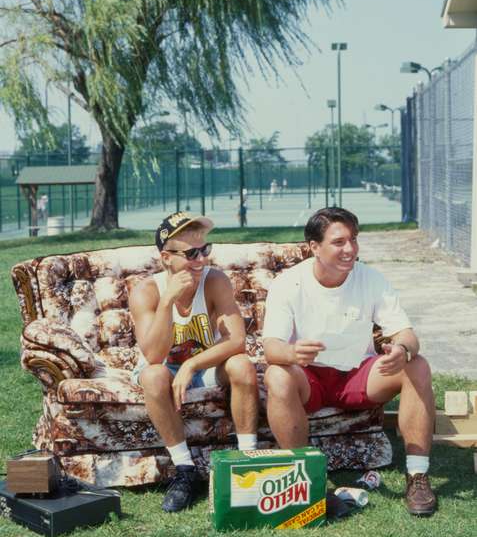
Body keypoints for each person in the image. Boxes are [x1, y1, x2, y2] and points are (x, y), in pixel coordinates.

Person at [262, 206, 436, 516]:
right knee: (277, 375)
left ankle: (417, 476)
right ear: (314, 247)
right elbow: (272, 348)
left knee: (417, 365)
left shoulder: (370, 278)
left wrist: (402, 350)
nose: (350, 249)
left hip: (359, 375)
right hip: (310, 378)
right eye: (339, 242)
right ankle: (308, 480)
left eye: (354, 240)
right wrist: (292, 353)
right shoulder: (289, 284)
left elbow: (407, 334)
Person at [129, 211, 258, 512]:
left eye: (205, 250)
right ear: (166, 257)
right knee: (153, 375)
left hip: (205, 366)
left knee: (241, 365)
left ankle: (246, 462)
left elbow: (237, 341)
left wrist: (191, 365)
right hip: (164, 367)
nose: (200, 260)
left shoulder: (215, 281)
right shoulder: (146, 292)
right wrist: (167, 302)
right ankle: (185, 471)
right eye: (190, 253)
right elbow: (153, 356)